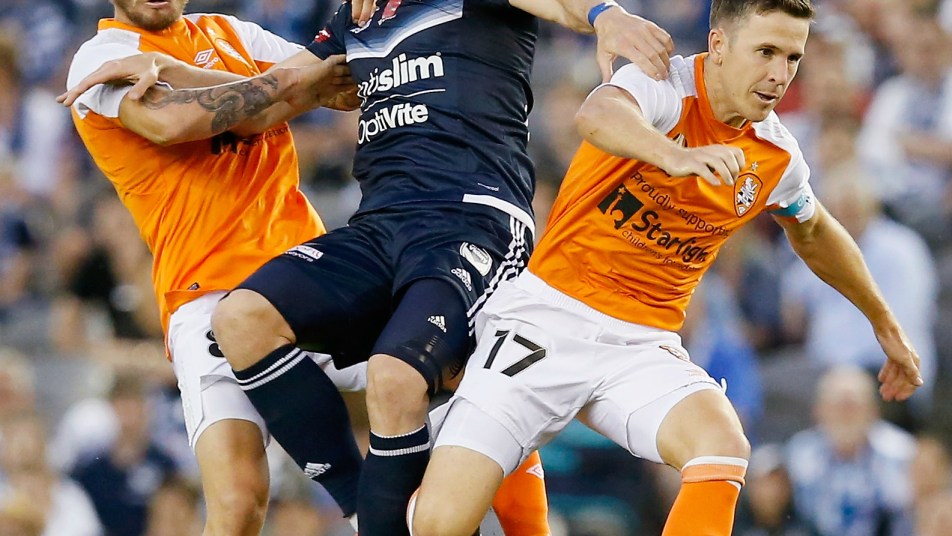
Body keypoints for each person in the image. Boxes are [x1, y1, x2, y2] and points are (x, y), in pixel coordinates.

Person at [404, 0, 926, 534]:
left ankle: (508, 449)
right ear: (719, 45)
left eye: (793, 58)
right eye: (766, 51)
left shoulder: (776, 153)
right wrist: (675, 156)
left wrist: (883, 322)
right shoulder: (663, 85)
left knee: (721, 442)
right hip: (548, 319)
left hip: (641, 345)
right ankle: (491, 456)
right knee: (439, 526)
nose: (779, 74)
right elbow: (596, 116)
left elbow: (814, 230)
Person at [206, 1, 675, 535]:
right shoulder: (354, 18)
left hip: (475, 219)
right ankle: (365, 507)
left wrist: (603, 14)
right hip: (380, 226)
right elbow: (271, 93)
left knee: (396, 377)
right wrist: (164, 78)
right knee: (241, 319)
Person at [60, 2, 364, 534]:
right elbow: (172, 121)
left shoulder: (232, 33)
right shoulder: (102, 56)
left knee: (429, 376)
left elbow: (345, 87)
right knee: (238, 504)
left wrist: (182, 75)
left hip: (301, 267)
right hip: (203, 293)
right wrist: (289, 85)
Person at [786, 366, 916, 536]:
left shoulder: (903, 453)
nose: (845, 416)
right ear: (818, 411)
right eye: (837, 407)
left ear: (874, 411)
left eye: (853, 407)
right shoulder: (798, 454)